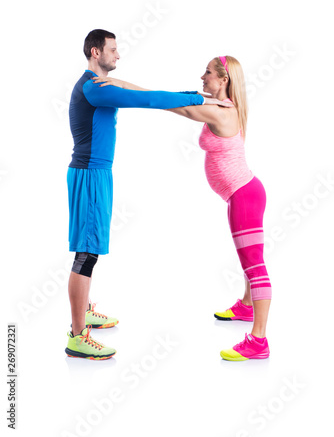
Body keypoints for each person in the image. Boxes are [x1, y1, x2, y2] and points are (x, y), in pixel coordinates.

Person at [93, 55, 272, 361]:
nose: (202, 77)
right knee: (248, 259)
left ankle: (259, 341)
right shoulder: (223, 106)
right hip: (240, 195)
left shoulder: (221, 113)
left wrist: (122, 86)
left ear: (223, 80)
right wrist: (122, 85)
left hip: (244, 196)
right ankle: (245, 306)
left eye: (208, 73)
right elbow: (174, 99)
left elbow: (167, 104)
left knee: (255, 265)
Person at [65, 29, 223, 360]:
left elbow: (146, 91)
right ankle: (77, 335)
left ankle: (85, 311)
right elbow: (148, 101)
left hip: (96, 174)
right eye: (113, 49)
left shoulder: (100, 85)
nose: (118, 55)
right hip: (91, 175)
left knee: (90, 246)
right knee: (87, 252)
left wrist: (195, 95)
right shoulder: (95, 88)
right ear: (96, 52)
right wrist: (202, 98)